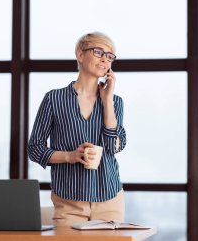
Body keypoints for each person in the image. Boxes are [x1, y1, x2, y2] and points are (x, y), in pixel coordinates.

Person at [28, 32, 127, 226]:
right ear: (80, 55)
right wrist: (70, 156)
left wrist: (107, 101)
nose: (104, 60)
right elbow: (35, 148)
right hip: (68, 201)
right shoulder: (54, 99)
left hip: (109, 198)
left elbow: (114, 146)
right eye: (99, 52)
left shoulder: (115, 102)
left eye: (109, 56)